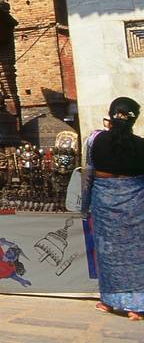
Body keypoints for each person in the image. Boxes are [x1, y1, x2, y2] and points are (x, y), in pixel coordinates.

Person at [82, 96, 144, 320]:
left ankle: (109, 301)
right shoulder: (141, 144)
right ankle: (135, 307)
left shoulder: (94, 140)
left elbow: (88, 173)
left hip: (105, 201)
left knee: (108, 253)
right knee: (136, 254)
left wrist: (84, 204)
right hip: (135, 203)